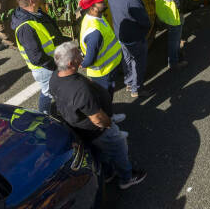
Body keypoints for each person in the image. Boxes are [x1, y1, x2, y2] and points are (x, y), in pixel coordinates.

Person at [49, 42, 147, 189]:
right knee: (119, 147)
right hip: (97, 130)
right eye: (78, 54)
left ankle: (107, 174)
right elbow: (98, 119)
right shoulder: (79, 90)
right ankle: (127, 177)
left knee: (101, 152)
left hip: (82, 130)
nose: (81, 55)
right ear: (71, 63)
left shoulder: (55, 77)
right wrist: (109, 125)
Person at [11, 0, 67, 114]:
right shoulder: (25, 27)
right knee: (47, 93)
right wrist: (54, 66)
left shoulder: (37, 14)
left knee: (58, 89)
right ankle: (44, 116)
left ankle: (61, 109)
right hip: (45, 68)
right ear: (32, 1)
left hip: (52, 62)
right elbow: (36, 57)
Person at [107, 0, 153, 98]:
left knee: (126, 59)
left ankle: (128, 82)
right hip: (135, 37)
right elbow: (144, 20)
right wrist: (146, 30)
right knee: (138, 62)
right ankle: (136, 89)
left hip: (120, 35)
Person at [78, 0, 123, 96]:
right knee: (105, 98)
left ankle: (110, 113)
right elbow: (89, 58)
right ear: (92, 8)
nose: (103, 2)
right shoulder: (94, 32)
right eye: (100, 2)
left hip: (109, 68)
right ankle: (108, 113)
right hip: (103, 72)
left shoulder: (96, 16)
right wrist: (83, 64)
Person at [154, 0, 187, 70]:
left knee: (172, 38)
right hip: (173, 17)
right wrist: (179, 7)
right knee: (174, 41)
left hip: (162, 14)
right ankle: (173, 63)